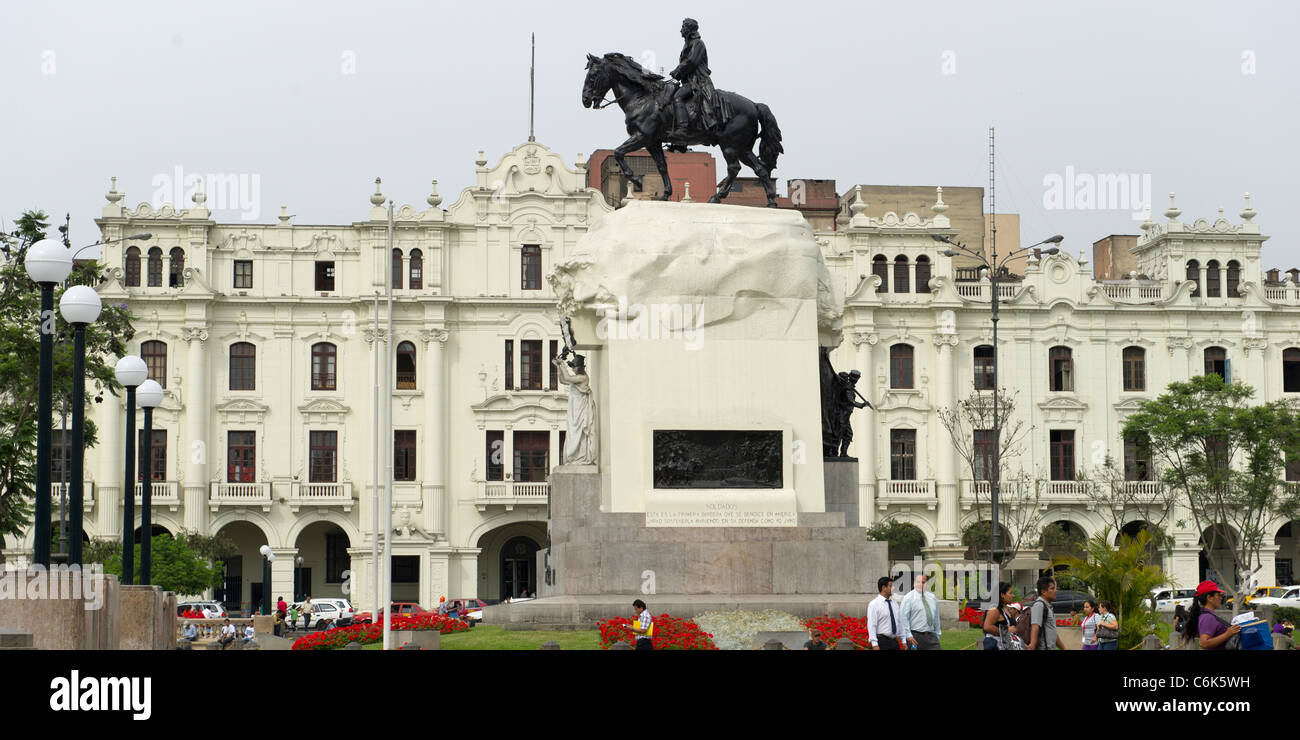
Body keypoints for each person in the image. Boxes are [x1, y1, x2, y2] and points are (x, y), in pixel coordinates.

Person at [667, 18, 720, 138]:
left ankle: (683, 129)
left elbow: (692, 62)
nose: (681, 30)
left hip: (698, 81)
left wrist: (678, 71)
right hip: (689, 81)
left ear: (688, 29)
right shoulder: (688, 44)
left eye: (683, 27)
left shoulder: (698, 43)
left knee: (677, 97)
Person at [1183, 580, 1240, 650]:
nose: (1221, 598)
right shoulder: (1207, 617)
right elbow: (1204, 643)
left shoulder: (1208, 615)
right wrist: (1227, 634)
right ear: (1209, 598)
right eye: (1218, 595)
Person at [899, 573, 941, 650]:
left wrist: (937, 634)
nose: (920, 584)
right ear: (914, 583)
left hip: (931, 637)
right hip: (915, 637)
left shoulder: (932, 597)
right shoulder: (908, 598)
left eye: (923, 582)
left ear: (927, 584)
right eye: (917, 582)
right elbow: (903, 618)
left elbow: (936, 618)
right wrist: (908, 635)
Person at [868, 576, 906, 650]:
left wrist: (903, 640)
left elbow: (899, 622)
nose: (893, 588)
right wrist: (874, 644)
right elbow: (872, 625)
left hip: (894, 642)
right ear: (883, 588)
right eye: (891, 586)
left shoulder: (894, 603)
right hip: (882, 642)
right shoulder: (874, 604)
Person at [1027, 576, 1064, 651]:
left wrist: (1063, 648)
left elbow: (1053, 632)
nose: (1056, 591)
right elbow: (1035, 626)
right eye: (1052, 588)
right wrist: (1032, 645)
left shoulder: (1048, 607)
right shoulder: (1039, 605)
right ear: (1043, 591)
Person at [982, 583, 1018, 650]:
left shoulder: (1004, 609)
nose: (1013, 595)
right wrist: (1006, 631)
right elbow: (987, 627)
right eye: (1010, 593)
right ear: (1002, 595)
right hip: (995, 645)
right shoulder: (994, 609)